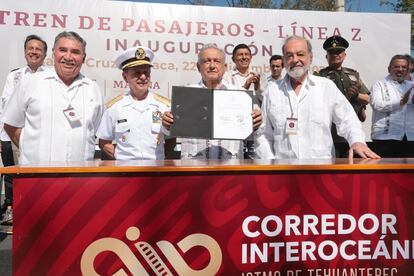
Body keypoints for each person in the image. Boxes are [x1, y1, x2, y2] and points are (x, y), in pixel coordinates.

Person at [255, 36, 379, 160]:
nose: (295, 60)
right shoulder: (272, 91)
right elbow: (263, 134)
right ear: (284, 60)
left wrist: (357, 141)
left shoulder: (326, 87)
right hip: (284, 172)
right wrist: (269, 165)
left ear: (311, 57)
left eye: (300, 54)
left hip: (321, 171)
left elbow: (348, 120)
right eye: (289, 55)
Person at [2, 31, 104, 165]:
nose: (68, 57)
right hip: (36, 177)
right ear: (53, 53)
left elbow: (96, 130)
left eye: (75, 52)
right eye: (62, 50)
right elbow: (10, 124)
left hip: (80, 178)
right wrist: (30, 149)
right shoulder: (30, 82)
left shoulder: (92, 88)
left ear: (84, 58)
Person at [162, 44, 262, 159]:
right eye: (207, 61)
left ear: (224, 67)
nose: (212, 66)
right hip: (194, 168)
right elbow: (166, 130)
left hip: (230, 168)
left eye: (217, 61)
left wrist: (257, 123)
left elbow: (259, 130)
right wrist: (166, 124)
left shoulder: (240, 94)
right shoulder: (186, 95)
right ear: (198, 67)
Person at [0, 34, 47, 227]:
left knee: (36, 174)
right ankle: (12, 208)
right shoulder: (15, 75)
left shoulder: (50, 76)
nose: (34, 52)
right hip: (11, 134)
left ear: (45, 54)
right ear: (25, 51)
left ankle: (35, 211)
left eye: (38, 49)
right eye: (31, 48)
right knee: (12, 174)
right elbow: (4, 107)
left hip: (39, 134)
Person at [96, 47, 170, 160]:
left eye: (146, 72)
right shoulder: (114, 108)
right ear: (125, 77)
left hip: (156, 172)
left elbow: (171, 140)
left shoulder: (164, 106)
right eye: (137, 73)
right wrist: (122, 158)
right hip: (126, 173)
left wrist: (158, 158)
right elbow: (104, 142)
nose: (143, 77)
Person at [316, 35, 370, 157]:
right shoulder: (320, 76)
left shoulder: (353, 74)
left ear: (344, 55)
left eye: (339, 51)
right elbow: (320, 104)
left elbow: (367, 99)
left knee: (353, 171)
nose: (335, 54)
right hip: (331, 134)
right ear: (326, 56)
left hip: (352, 134)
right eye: (331, 52)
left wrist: (355, 95)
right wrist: (346, 96)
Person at [370, 54, 414, 157]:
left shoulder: (412, 86)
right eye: (396, 66)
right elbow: (377, 105)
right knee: (386, 172)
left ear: (408, 70)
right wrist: (400, 102)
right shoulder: (379, 84)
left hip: (410, 137)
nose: (400, 69)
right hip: (385, 137)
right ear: (389, 69)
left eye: (404, 67)